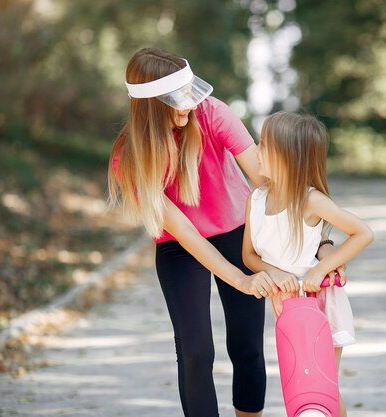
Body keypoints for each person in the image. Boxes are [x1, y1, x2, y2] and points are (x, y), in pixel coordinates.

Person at [107, 48, 342, 417]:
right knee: (196, 351)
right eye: (177, 101)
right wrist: (240, 280)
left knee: (247, 344)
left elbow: (275, 182)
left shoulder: (213, 112)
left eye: (190, 95)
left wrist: (322, 242)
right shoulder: (129, 158)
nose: (190, 105)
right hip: (179, 246)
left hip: (239, 232)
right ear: (151, 106)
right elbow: (184, 232)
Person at [242, 111, 374, 417]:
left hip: (321, 303)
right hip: (286, 306)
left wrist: (320, 269)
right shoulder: (256, 200)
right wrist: (274, 272)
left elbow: (363, 233)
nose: (255, 151)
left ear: (287, 156)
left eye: (263, 144)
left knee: (323, 387)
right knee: (297, 388)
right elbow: (248, 255)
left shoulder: (310, 201)